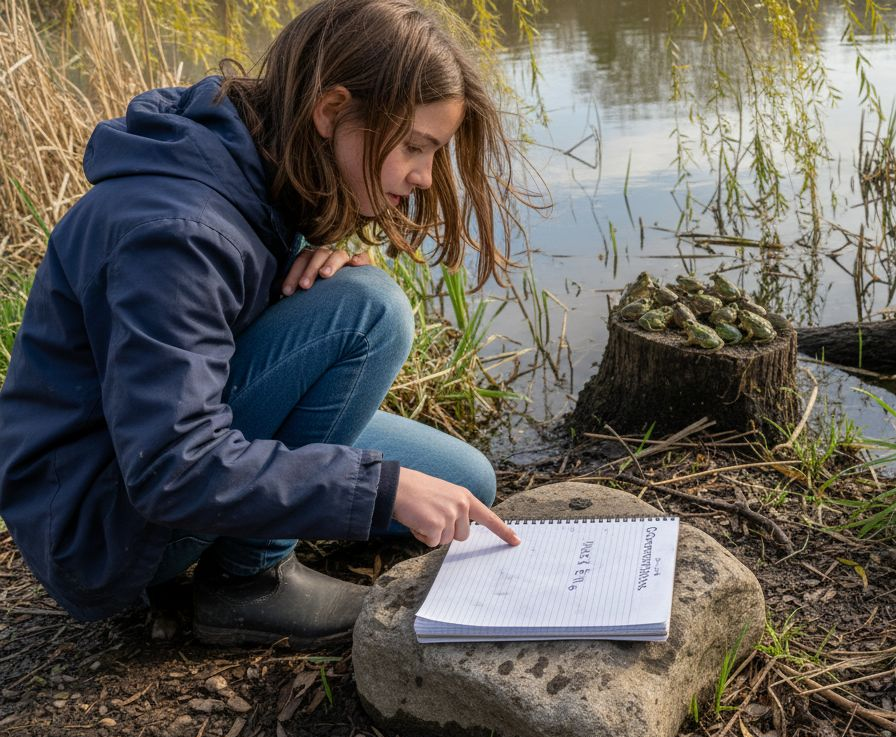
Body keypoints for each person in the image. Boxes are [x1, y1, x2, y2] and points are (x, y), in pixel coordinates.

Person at [0, 0, 528, 648]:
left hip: (152, 465)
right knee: (371, 314)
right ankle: (251, 582)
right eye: (415, 147)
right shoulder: (174, 233)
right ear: (332, 112)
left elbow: (223, 326)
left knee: (464, 485)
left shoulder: (254, 163)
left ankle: (237, 557)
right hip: (102, 527)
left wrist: (317, 251)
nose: (422, 179)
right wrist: (380, 489)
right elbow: (173, 466)